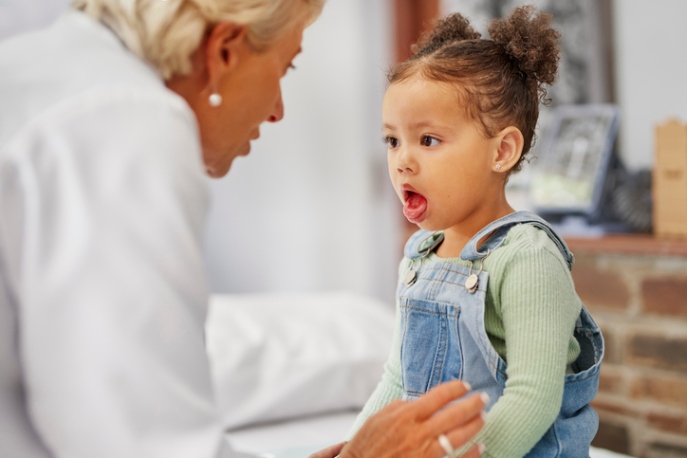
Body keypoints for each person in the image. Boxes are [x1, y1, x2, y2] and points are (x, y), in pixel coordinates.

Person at [0, 1, 487, 457]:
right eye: (285, 67)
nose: (277, 109)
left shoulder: (43, 69)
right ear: (224, 51)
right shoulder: (124, 121)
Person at [346, 6, 605, 458]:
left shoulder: (526, 256)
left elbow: (533, 397)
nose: (402, 160)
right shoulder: (419, 259)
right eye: (392, 140)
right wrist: (357, 449)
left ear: (502, 151)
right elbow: (398, 380)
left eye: (427, 140)